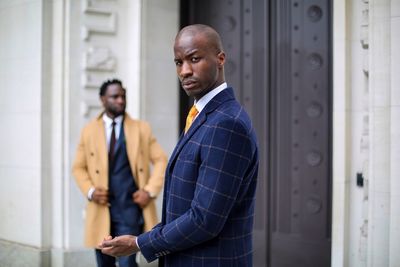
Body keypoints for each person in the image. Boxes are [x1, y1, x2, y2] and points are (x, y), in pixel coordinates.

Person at [99, 24, 259, 266]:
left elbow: (204, 219)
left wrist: (139, 243)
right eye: (178, 62)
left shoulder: (226, 123)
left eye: (194, 59)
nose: (184, 71)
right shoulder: (202, 114)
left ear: (220, 59)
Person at [72, 79, 167, 267]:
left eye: (123, 96)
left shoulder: (141, 128)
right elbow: (78, 167)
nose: (121, 101)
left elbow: (161, 160)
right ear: (102, 99)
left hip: (130, 211)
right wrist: (90, 191)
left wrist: (149, 191)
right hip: (101, 209)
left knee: (127, 263)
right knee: (104, 262)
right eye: (115, 97)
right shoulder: (89, 131)